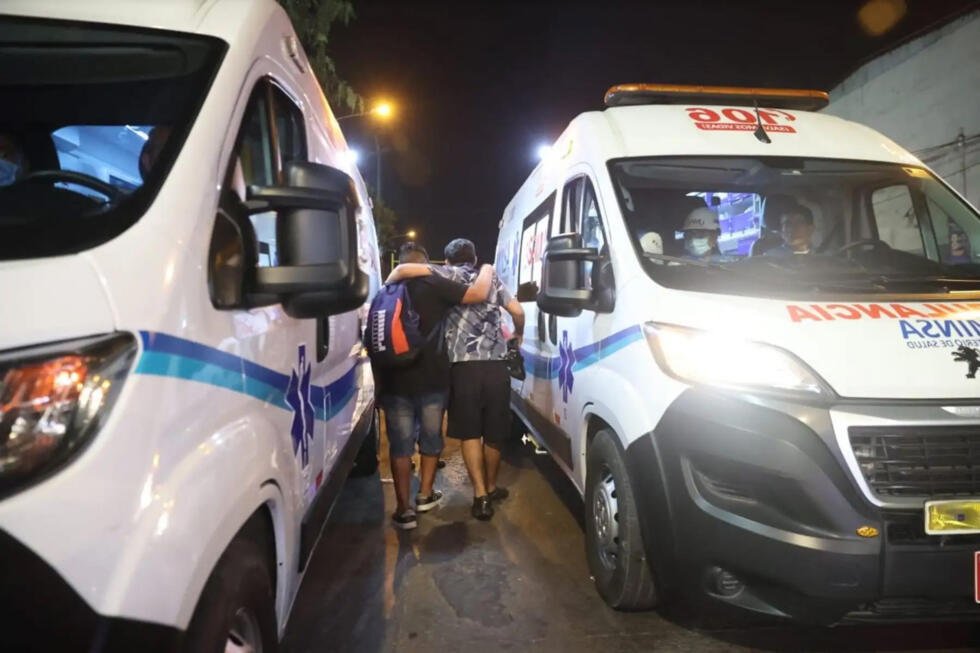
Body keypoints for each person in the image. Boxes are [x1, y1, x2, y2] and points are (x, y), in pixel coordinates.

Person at [377, 242, 493, 530]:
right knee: (431, 439)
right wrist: (487, 267)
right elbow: (478, 293)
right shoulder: (435, 284)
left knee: (400, 447)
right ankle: (425, 495)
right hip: (432, 378)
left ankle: (403, 510)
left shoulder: (386, 291)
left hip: (394, 381)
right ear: (425, 263)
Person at [438, 238, 525, 520]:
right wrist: (517, 334)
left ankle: (480, 496)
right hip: (496, 367)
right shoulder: (492, 279)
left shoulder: (445, 276)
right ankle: (491, 486)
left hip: (463, 368)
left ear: (448, 260)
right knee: (495, 431)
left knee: (470, 432)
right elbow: (518, 311)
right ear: (474, 259)